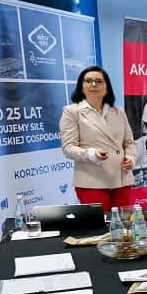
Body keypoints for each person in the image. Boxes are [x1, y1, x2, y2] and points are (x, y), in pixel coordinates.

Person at [59, 66, 137, 211]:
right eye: (88, 81)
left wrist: (131, 158)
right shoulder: (72, 112)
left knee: (123, 223)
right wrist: (91, 154)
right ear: (81, 86)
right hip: (92, 182)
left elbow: (129, 143)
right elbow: (68, 148)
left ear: (107, 87)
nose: (94, 84)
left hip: (122, 180)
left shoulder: (119, 112)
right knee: (100, 225)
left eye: (99, 81)